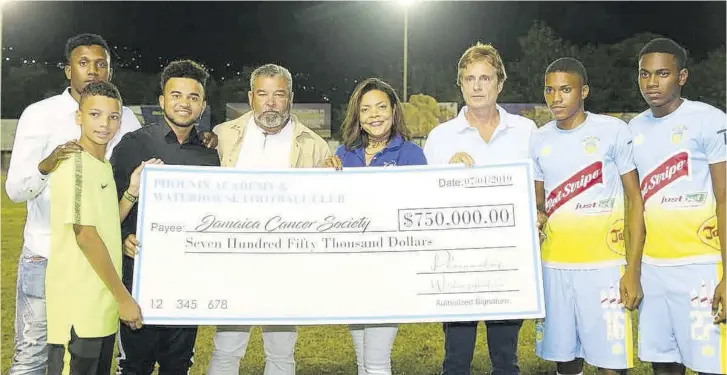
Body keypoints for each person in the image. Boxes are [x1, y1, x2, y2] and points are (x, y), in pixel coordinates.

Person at [4, 33, 143, 375]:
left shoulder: (126, 119)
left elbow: (113, 198)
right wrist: (46, 166)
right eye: (84, 63)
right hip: (49, 255)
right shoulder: (40, 115)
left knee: (93, 357)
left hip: (101, 267)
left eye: (101, 64)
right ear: (68, 70)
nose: (93, 71)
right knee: (34, 357)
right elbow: (16, 190)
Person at [207, 63, 331, 375]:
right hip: (234, 259)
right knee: (225, 351)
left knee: (281, 354)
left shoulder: (316, 146)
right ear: (251, 97)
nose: (270, 102)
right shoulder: (222, 136)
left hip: (286, 264)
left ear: (290, 98)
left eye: (279, 95)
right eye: (263, 94)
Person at [422, 42, 537, 375]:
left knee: (506, 357)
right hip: (457, 261)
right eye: (469, 78)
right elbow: (425, 198)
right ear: (460, 83)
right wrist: (446, 172)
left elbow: (538, 187)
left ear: (500, 83)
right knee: (456, 359)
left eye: (485, 78)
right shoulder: (440, 137)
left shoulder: (526, 131)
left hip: (508, 258)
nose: (476, 86)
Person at [530, 57, 645, 375]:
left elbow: (635, 200)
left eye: (565, 89)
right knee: (566, 361)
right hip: (555, 267)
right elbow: (539, 204)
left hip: (604, 270)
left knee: (611, 364)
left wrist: (632, 271)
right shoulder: (538, 139)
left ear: (584, 91)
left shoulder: (612, 131)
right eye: (549, 90)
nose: (556, 98)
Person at [110, 59, 221, 374]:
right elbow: (107, 207)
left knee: (179, 364)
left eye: (193, 97)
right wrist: (121, 241)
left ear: (202, 106)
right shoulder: (133, 145)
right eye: (176, 95)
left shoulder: (209, 156)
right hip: (140, 277)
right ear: (162, 101)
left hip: (186, 279)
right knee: (135, 365)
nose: (184, 103)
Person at [628, 37, 726, 375]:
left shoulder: (709, 120)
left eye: (662, 73)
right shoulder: (634, 129)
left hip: (701, 265)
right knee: (663, 362)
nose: (652, 83)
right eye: (644, 74)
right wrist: (634, 268)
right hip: (654, 269)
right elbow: (636, 205)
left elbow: (725, 198)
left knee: (710, 363)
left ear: (681, 76)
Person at [43, 81, 150, 375]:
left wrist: (131, 191)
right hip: (78, 307)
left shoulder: (100, 164)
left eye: (112, 117)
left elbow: (105, 226)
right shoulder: (74, 162)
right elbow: (86, 236)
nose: (104, 124)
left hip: (101, 306)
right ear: (79, 116)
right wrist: (124, 297)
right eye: (95, 114)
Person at [323, 77, 426, 374]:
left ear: (394, 111)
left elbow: (419, 209)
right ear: (357, 115)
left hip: (389, 269)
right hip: (352, 268)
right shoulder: (343, 154)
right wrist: (325, 178)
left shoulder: (410, 154)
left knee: (377, 361)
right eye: (366, 109)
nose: (374, 115)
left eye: (381, 107)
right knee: (362, 359)